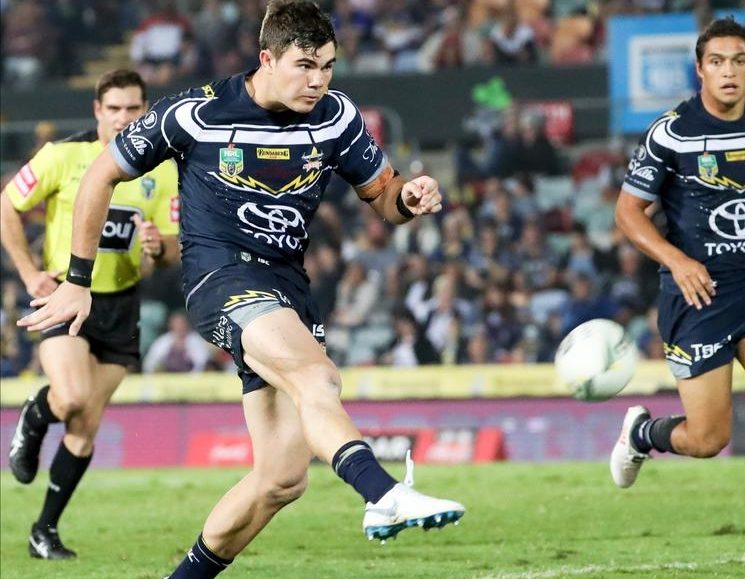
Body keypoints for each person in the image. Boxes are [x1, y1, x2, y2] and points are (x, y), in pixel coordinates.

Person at [17, 2, 465, 577]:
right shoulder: (196, 113)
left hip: (287, 287)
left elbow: (383, 194)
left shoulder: (336, 117)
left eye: (327, 66)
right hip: (222, 277)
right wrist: (77, 279)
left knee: (281, 479)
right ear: (267, 60)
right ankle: (383, 494)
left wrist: (409, 197)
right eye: (305, 66)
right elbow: (102, 174)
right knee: (317, 378)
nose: (318, 80)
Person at [609, 17, 745, 570]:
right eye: (717, 62)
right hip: (694, 294)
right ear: (700, 69)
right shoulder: (671, 133)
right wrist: (677, 259)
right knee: (708, 438)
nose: (728, 71)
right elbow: (628, 213)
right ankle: (645, 432)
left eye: (739, 61)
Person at [2, 69, 180, 559]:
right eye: (114, 108)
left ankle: (44, 532)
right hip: (66, 295)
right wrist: (28, 273)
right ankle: (35, 416)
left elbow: (171, 251)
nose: (124, 118)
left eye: (133, 109)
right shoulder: (62, 156)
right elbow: (6, 205)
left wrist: (158, 248)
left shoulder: (162, 171)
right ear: (97, 110)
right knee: (73, 396)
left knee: (87, 424)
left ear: (145, 111)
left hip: (121, 304)